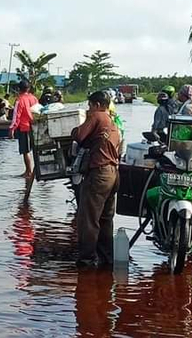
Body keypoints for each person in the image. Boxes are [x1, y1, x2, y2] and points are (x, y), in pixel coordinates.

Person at [71, 91, 121, 267]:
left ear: (98, 105)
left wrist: (80, 124)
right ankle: (107, 259)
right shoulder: (113, 122)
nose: (89, 109)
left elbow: (79, 136)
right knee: (106, 219)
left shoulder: (97, 116)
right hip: (113, 174)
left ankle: (87, 259)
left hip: (99, 174)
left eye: (90, 105)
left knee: (88, 218)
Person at [9, 80, 39, 178]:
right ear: (28, 88)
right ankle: (32, 170)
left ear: (19, 89)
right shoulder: (34, 98)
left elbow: (16, 116)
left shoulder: (19, 100)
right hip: (34, 127)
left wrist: (12, 129)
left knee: (25, 151)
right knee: (33, 149)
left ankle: (28, 171)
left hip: (24, 127)